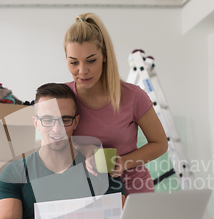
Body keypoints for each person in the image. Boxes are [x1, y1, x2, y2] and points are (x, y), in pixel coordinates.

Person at [0, 83, 125, 219]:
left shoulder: (100, 166)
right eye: (48, 120)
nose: (57, 129)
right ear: (36, 122)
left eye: (65, 119)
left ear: (76, 122)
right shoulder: (14, 173)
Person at [63, 13, 168, 195]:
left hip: (132, 188)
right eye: (73, 62)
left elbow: (160, 144)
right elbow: (50, 146)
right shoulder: (62, 97)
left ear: (104, 56)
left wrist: (123, 163)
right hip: (84, 190)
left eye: (91, 60)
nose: (82, 71)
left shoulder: (133, 96)